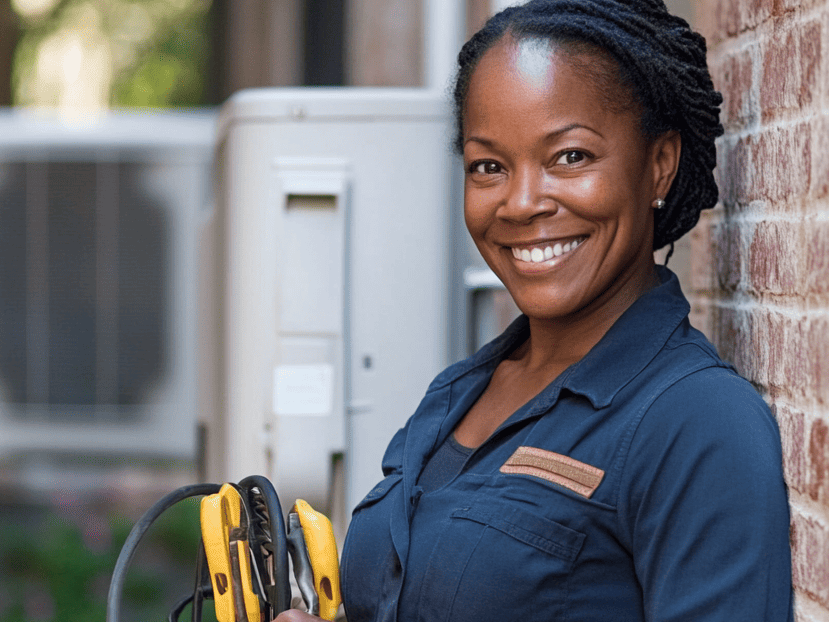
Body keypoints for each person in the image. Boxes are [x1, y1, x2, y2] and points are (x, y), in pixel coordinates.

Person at [277, 0, 793, 620]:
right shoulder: (459, 394)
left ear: (659, 165)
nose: (520, 204)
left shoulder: (699, 422)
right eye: (488, 166)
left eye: (570, 157)